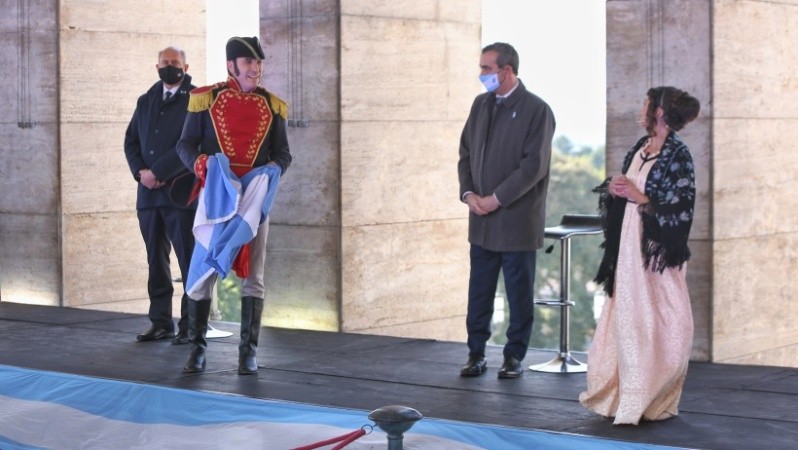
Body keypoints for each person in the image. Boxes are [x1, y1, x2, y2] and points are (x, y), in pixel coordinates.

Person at [579, 86, 701, 425]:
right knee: (629, 315)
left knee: (664, 317)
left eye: (647, 103)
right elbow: (629, 190)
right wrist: (616, 189)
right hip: (630, 245)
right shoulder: (641, 147)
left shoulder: (678, 155)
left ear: (659, 112)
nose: (641, 108)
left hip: (656, 250)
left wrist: (640, 197)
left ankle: (653, 394)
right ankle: (624, 395)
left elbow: (682, 207)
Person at [177, 36, 291, 375]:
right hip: (218, 196)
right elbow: (185, 145)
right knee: (203, 273)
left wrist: (273, 170)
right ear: (232, 65)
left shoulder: (273, 106)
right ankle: (197, 349)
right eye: (249, 62)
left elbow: (283, 153)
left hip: (254, 201)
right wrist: (203, 164)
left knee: (255, 276)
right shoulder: (206, 99)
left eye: (258, 63)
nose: (256, 69)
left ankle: (248, 353)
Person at [457, 42, 556, 379]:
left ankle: (514, 357)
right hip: (481, 223)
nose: (481, 74)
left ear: (507, 70)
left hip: (516, 224)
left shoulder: (537, 110)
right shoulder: (480, 105)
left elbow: (533, 167)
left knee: (518, 296)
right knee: (479, 294)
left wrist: (495, 199)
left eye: (486, 68)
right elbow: (465, 154)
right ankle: (475, 354)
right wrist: (470, 195)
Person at [124, 46, 197, 345]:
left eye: (175, 62)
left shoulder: (197, 100)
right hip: (148, 196)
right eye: (165, 62)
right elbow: (131, 141)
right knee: (155, 261)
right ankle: (161, 323)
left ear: (185, 66)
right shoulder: (146, 100)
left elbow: (191, 143)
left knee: (189, 262)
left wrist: (159, 172)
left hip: (180, 194)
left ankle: (192, 326)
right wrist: (141, 172)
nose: (170, 66)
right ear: (157, 66)